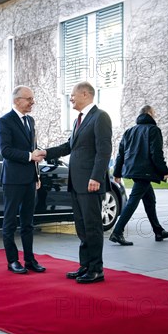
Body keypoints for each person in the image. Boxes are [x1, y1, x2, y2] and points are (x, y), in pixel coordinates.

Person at [44, 81, 112, 284]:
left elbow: (104, 150)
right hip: (76, 182)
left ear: (85, 94)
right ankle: (85, 266)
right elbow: (69, 146)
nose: (70, 98)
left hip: (90, 183)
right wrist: (46, 153)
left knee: (92, 227)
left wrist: (95, 177)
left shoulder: (100, 117)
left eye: (72, 95)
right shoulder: (79, 120)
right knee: (81, 227)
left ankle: (96, 270)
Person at [0, 85, 47, 274]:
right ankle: (12, 261)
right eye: (29, 99)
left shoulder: (31, 121)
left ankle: (29, 260)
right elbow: (5, 151)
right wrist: (29, 156)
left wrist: (37, 175)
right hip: (12, 180)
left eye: (32, 99)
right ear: (17, 100)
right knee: (10, 221)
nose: (32, 102)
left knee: (28, 222)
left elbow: (32, 148)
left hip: (29, 180)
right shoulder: (5, 121)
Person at [109, 105, 168, 246]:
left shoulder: (129, 131)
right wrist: (164, 171)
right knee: (133, 201)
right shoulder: (153, 130)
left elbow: (121, 154)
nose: (155, 116)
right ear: (149, 113)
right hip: (145, 172)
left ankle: (158, 231)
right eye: (154, 114)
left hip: (134, 171)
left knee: (150, 200)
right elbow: (156, 153)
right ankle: (117, 232)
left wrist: (117, 173)